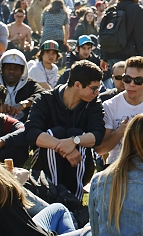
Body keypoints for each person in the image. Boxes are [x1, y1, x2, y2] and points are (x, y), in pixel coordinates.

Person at [27, 60, 107, 197]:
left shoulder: (93, 104)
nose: (97, 93)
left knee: (77, 134)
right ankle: (52, 194)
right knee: (55, 133)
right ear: (77, 85)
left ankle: (75, 199)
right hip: (44, 163)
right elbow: (32, 132)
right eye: (93, 88)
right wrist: (63, 146)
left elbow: (97, 135)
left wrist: (74, 141)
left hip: (81, 163)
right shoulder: (45, 99)